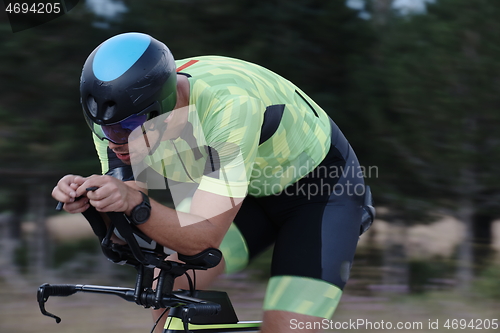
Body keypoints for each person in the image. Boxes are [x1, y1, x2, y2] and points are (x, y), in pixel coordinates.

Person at [52, 32, 373, 333]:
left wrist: (133, 200)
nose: (115, 141)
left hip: (319, 193)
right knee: (168, 286)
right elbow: (140, 234)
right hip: (246, 186)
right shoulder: (117, 121)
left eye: (127, 128)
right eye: (105, 129)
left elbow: (199, 239)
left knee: (285, 326)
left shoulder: (230, 106)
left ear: (160, 108)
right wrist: (96, 204)